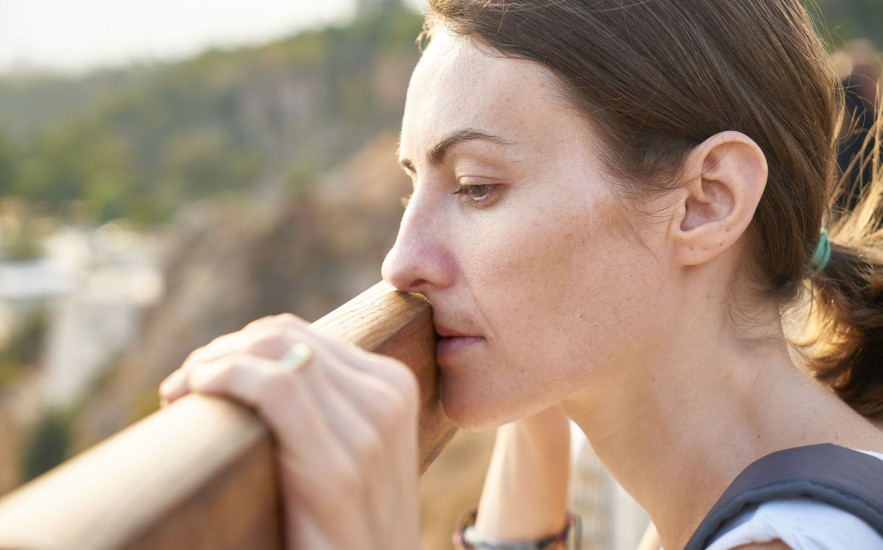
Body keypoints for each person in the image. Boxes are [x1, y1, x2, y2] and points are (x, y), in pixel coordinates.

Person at [157, 1, 883, 549]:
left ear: (704, 202)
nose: (399, 263)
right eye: (415, 186)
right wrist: (532, 415)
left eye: (475, 187)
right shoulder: (773, 497)